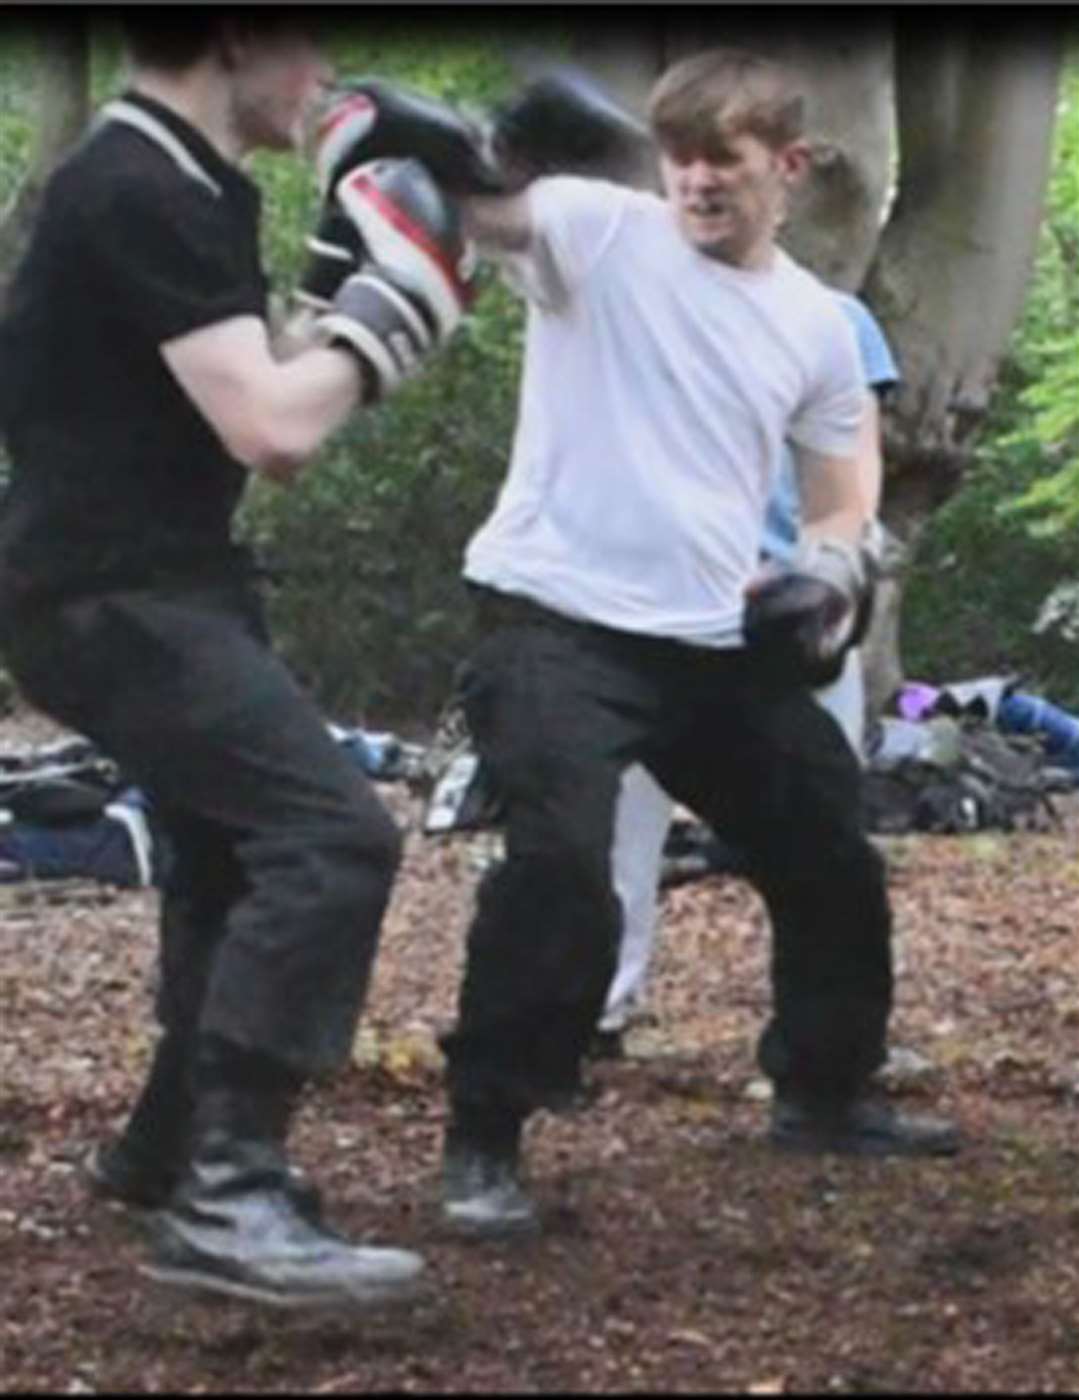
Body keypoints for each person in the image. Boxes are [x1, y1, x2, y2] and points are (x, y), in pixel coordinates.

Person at [429, 46, 960, 1238]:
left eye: (723, 158)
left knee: (829, 850)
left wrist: (831, 567)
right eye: (679, 157)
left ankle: (824, 1087)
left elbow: (839, 494)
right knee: (559, 865)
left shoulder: (820, 326)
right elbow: (488, 209)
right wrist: (462, 147)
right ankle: (486, 1132)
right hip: (554, 614)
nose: (697, 182)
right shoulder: (598, 230)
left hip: (712, 634)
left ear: (791, 164)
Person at [0, 9, 477, 1309]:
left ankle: (167, 1153)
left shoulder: (181, 181)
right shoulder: (133, 181)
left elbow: (240, 390)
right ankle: (229, 1195)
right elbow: (271, 424)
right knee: (331, 840)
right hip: (112, 595)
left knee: (226, 852)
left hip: (156, 580)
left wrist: (340, 308)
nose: (320, 73)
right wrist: (383, 322)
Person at [595, 291, 900, 1055]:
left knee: (826, 836)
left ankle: (828, 1053)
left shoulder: (836, 320)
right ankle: (588, 1015)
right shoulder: (638, 301)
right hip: (654, 609)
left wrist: (835, 576)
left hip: (794, 611)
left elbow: (858, 466)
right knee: (609, 832)